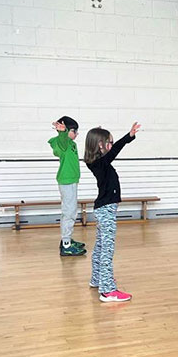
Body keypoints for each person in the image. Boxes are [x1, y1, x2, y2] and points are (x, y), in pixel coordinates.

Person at [84, 121, 141, 303]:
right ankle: (107, 290)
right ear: (101, 145)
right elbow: (115, 149)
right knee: (107, 249)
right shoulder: (100, 162)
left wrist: (127, 136)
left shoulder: (99, 162)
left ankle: (97, 279)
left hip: (104, 209)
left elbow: (112, 149)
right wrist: (128, 137)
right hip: (106, 210)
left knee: (100, 247)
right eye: (109, 142)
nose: (111, 145)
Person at [49, 116, 85, 257]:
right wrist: (61, 132)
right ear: (69, 131)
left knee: (71, 210)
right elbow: (62, 142)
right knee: (69, 212)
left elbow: (66, 141)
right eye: (75, 131)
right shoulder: (62, 143)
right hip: (67, 182)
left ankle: (67, 239)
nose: (77, 134)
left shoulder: (71, 143)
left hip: (72, 181)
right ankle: (66, 244)